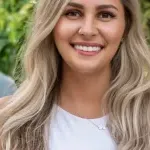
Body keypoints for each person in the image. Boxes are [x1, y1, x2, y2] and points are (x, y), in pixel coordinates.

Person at [0, 0, 150, 149]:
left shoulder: (146, 118)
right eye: (73, 13)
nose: (88, 30)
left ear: (126, 27)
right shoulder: (7, 122)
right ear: (51, 23)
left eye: (105, 15)